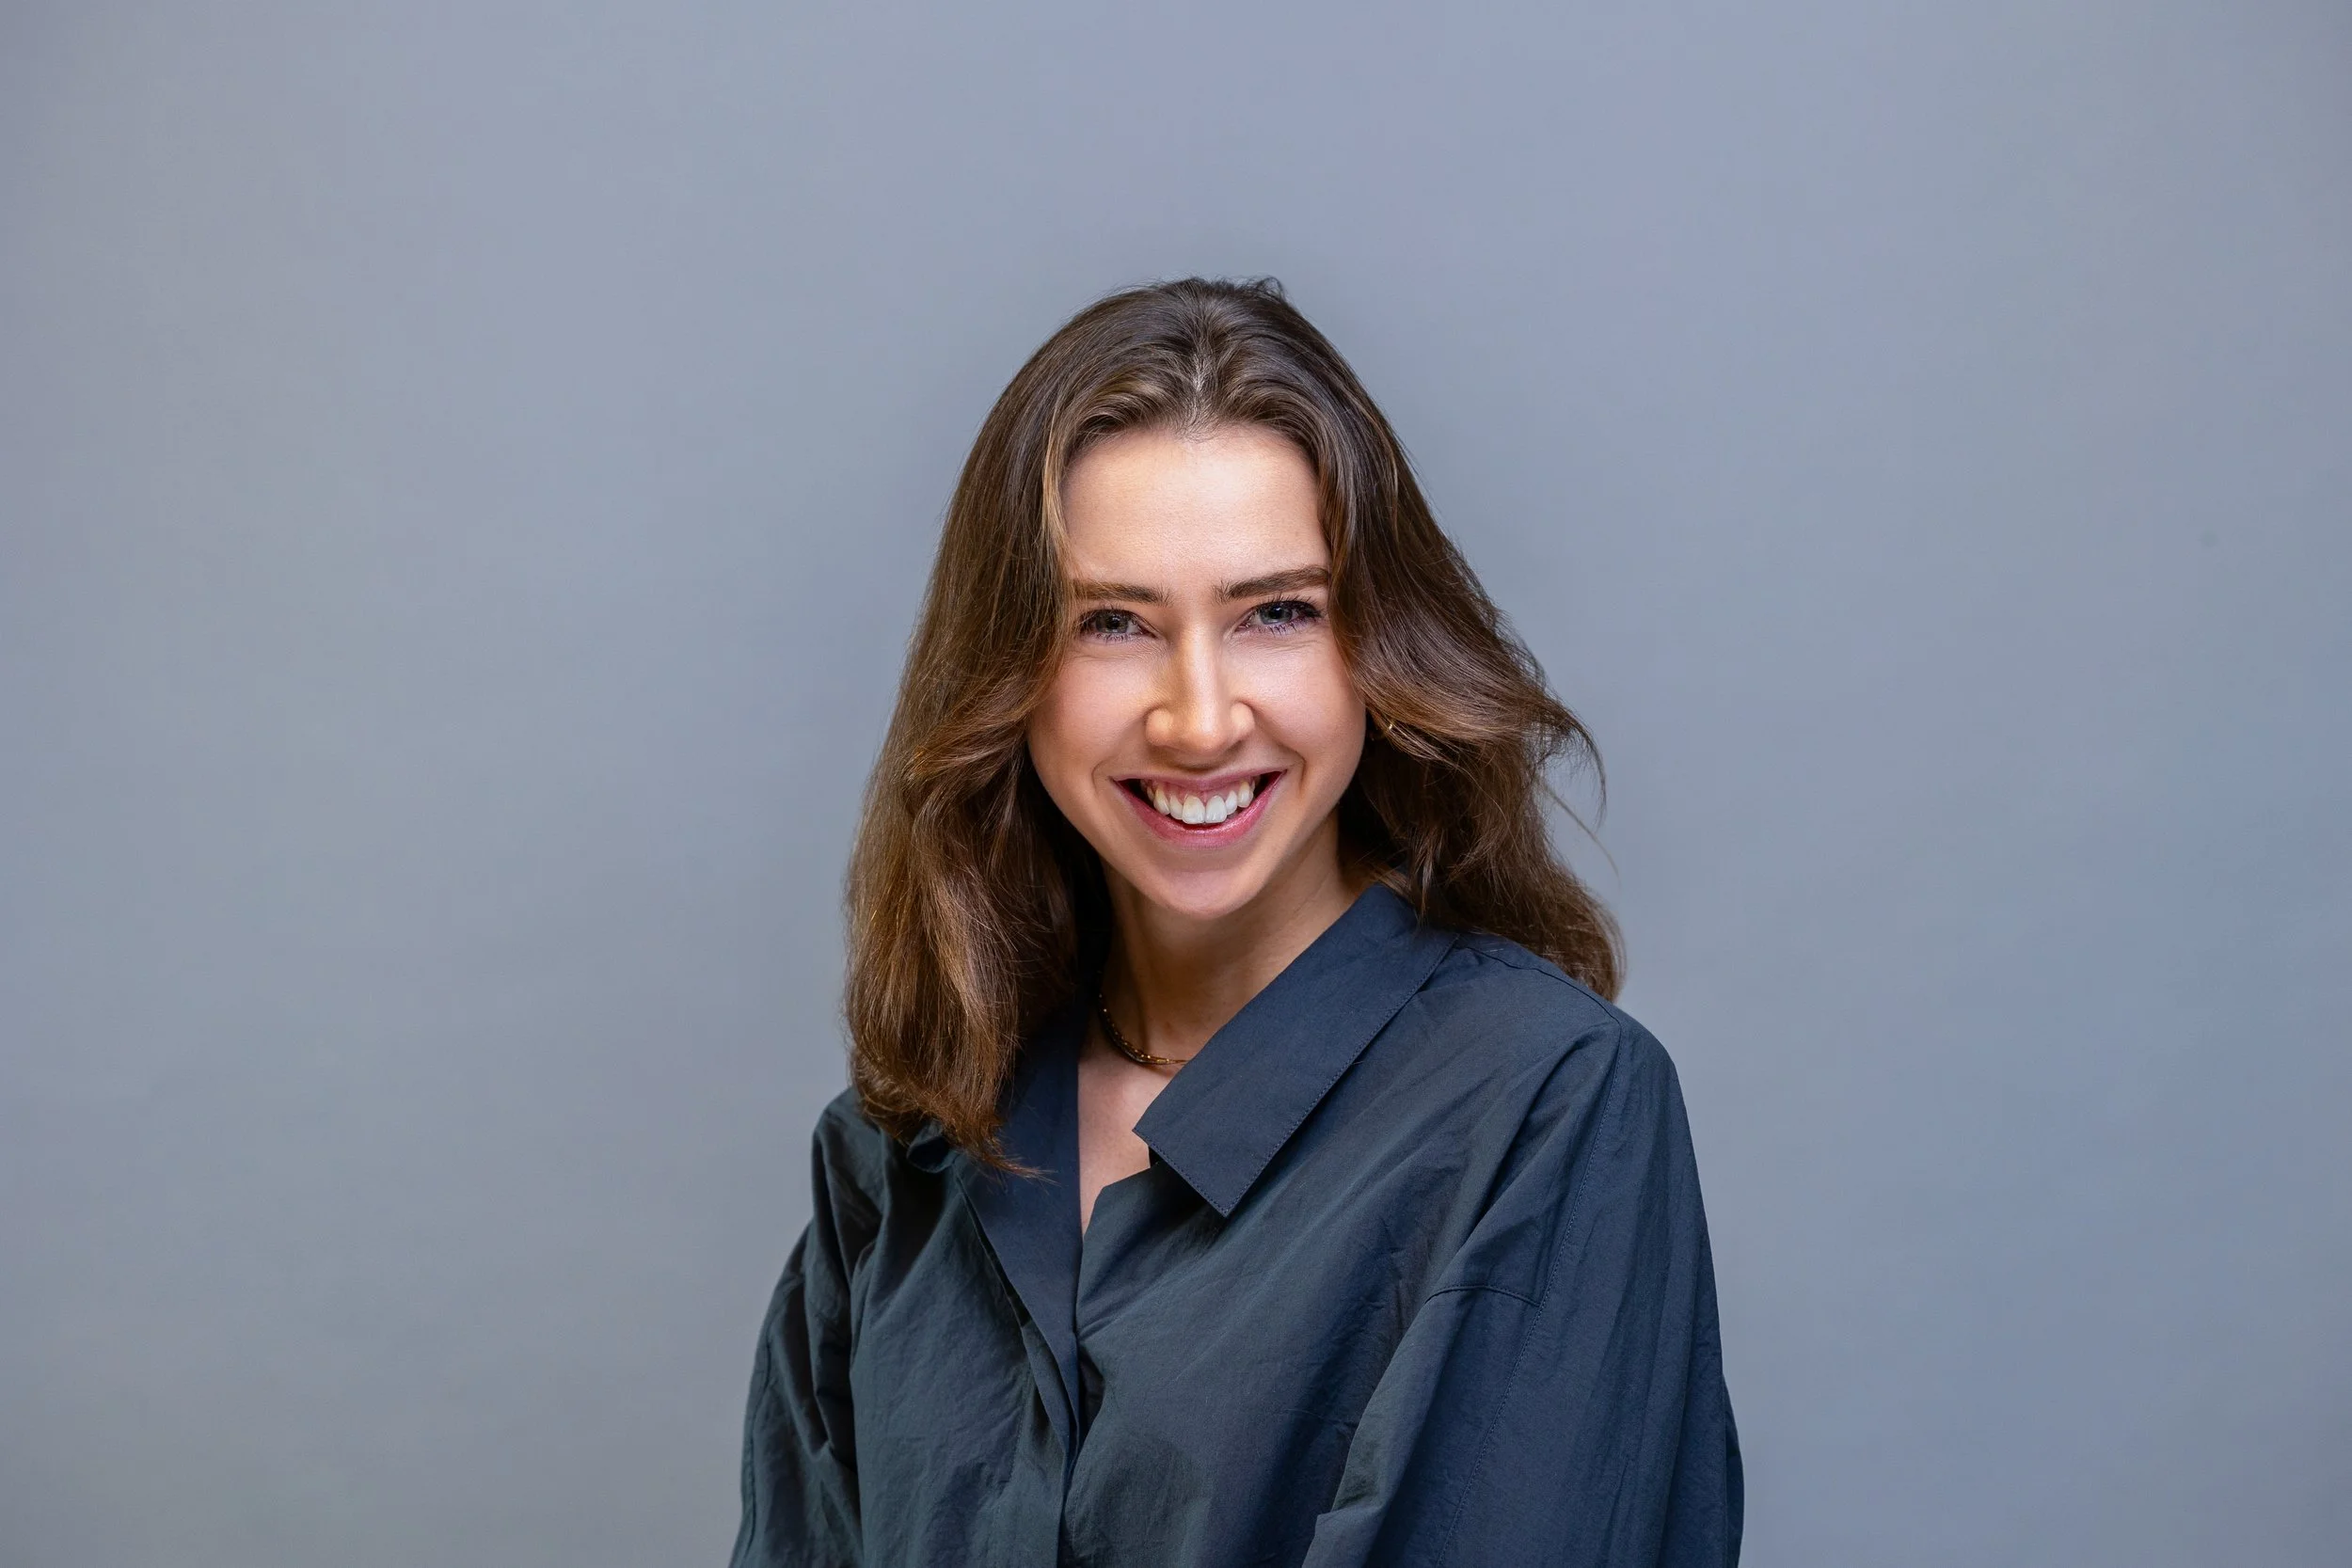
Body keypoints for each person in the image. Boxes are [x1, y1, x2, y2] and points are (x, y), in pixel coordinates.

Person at [728, 277, 1740, 1566]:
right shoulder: (900, 1154)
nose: (1199, 720)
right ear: (1004, 675)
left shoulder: (1549, 1104)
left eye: (1276, 613)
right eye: (1111, 623)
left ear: (1381, 646)